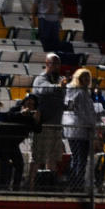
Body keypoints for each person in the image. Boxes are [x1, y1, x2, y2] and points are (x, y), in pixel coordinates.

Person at [30, 53, 67, 189]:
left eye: (58, 64)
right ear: (47, 64)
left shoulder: (61, 79)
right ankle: (32, 186)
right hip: (43, 126)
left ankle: (49, 185)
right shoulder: (41, 79)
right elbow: (43, 89)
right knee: (38, 158)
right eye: (53, 63)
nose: (56, 66)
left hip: (57, 125)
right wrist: (58, 87)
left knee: (53, 159)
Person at [0, 93, 41, 191]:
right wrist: (21, 113)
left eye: (32, 104)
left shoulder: (32, 116)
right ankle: (3, 187)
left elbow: (37, 130)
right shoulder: (16, 109)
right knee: (5, 164)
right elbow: (8, 116)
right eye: (28, 102)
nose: (29, 105)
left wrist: (36, 120)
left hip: (13, 144)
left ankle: (15, 188)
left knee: (19, 164)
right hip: (2, 141)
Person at [62, 67, 99, 192]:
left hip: (71, 128)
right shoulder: (82, 93)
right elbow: (85, 112)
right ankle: (78, 184)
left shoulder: (71, 90)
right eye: (84, 77)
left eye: (88, 77)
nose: (87, 79)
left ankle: (74, 183)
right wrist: (93, 125)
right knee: (81, 158)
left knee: (76, 157)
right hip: (82, 129)